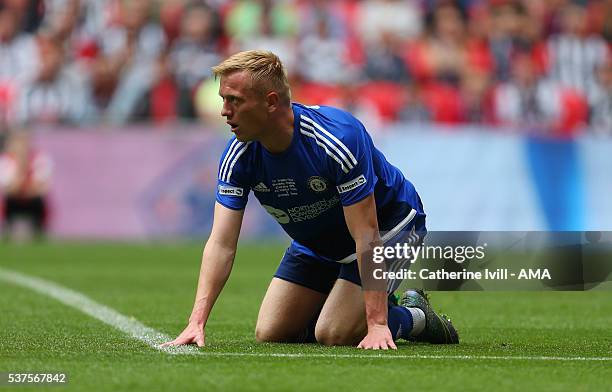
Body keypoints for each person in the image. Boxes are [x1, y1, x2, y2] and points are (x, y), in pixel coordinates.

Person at [162, 50, 458, 350]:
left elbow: (367, 234)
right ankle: (348, 303)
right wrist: (196, 321)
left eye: (234, 100)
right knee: (272, 331)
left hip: (389, 226)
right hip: (320, 243)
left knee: (334, 333)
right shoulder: (237, 155)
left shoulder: (336, 139)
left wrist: (378, 323)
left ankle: (413, 316)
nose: (224, 111)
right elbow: (222, 243)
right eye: (223, 99)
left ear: (271, 102)